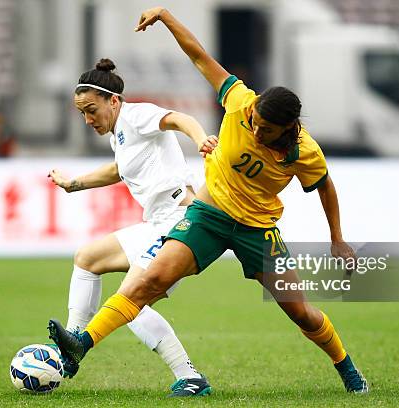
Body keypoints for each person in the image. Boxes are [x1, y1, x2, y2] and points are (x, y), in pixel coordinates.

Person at [48, 8, 369, 395]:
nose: (255, 128)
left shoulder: (305, 152)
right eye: (253, 121)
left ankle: (346, 367)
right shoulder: (240, 102)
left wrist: (337, 238)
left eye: (265, 129)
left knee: (299, 311)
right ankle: (81, 343)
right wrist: (166, 17)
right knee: (148, 279)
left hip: (257, 229)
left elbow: (325, 187)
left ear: (287, 129)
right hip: (206, 214)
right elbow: (199, 55)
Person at [48, 57, 217, 397]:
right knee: (87, 258)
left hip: (179, 222)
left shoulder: (136, 116)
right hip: (156, 222)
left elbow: (179, 119)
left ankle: (190, 377)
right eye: (82, 112)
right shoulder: (120, 136)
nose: (87, 119)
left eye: (91, 110)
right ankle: (72, 347)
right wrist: (74, 183)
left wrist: (201, 140)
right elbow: (118, 170)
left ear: (114, 100)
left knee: (131, 300)